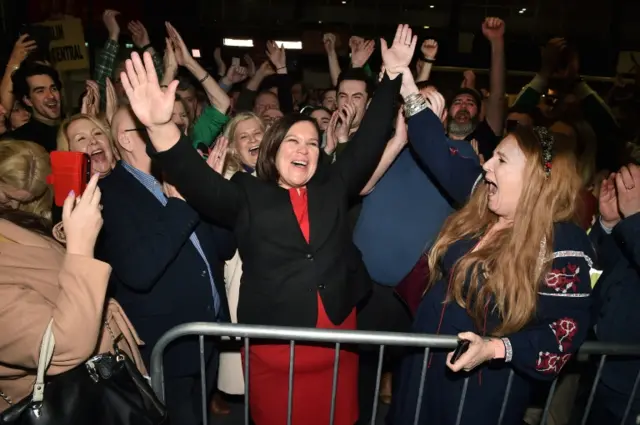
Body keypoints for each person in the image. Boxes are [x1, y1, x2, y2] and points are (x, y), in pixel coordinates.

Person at [120, 23, 415, 425]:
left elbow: (369, 139)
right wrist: (158, 127)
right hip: (276, 347)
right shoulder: (246, 194)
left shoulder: (334, 184)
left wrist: (394, 75)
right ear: (273, 151)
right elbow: (195, 179)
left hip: (336, 338)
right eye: (293, 141)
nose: (304, 149)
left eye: (312, 142)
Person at [389, 71, 594, 425]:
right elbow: (437, 153)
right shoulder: (482, 203)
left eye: (500, 160)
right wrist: (407, 85)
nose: (485, 165)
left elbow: (564, 333)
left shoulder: (565, 244)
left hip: (479, 388)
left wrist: (496, 348)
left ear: (534, 179)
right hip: (423, 368)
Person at [0, 140, 145, 411]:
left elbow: (38, 253)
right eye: (10, 197)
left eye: (33, 197)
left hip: (99, 384)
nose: (18, 205)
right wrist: (80, 247)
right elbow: (62, 347)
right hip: (61, 404)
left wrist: (69, 234)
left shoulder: (14, 219)